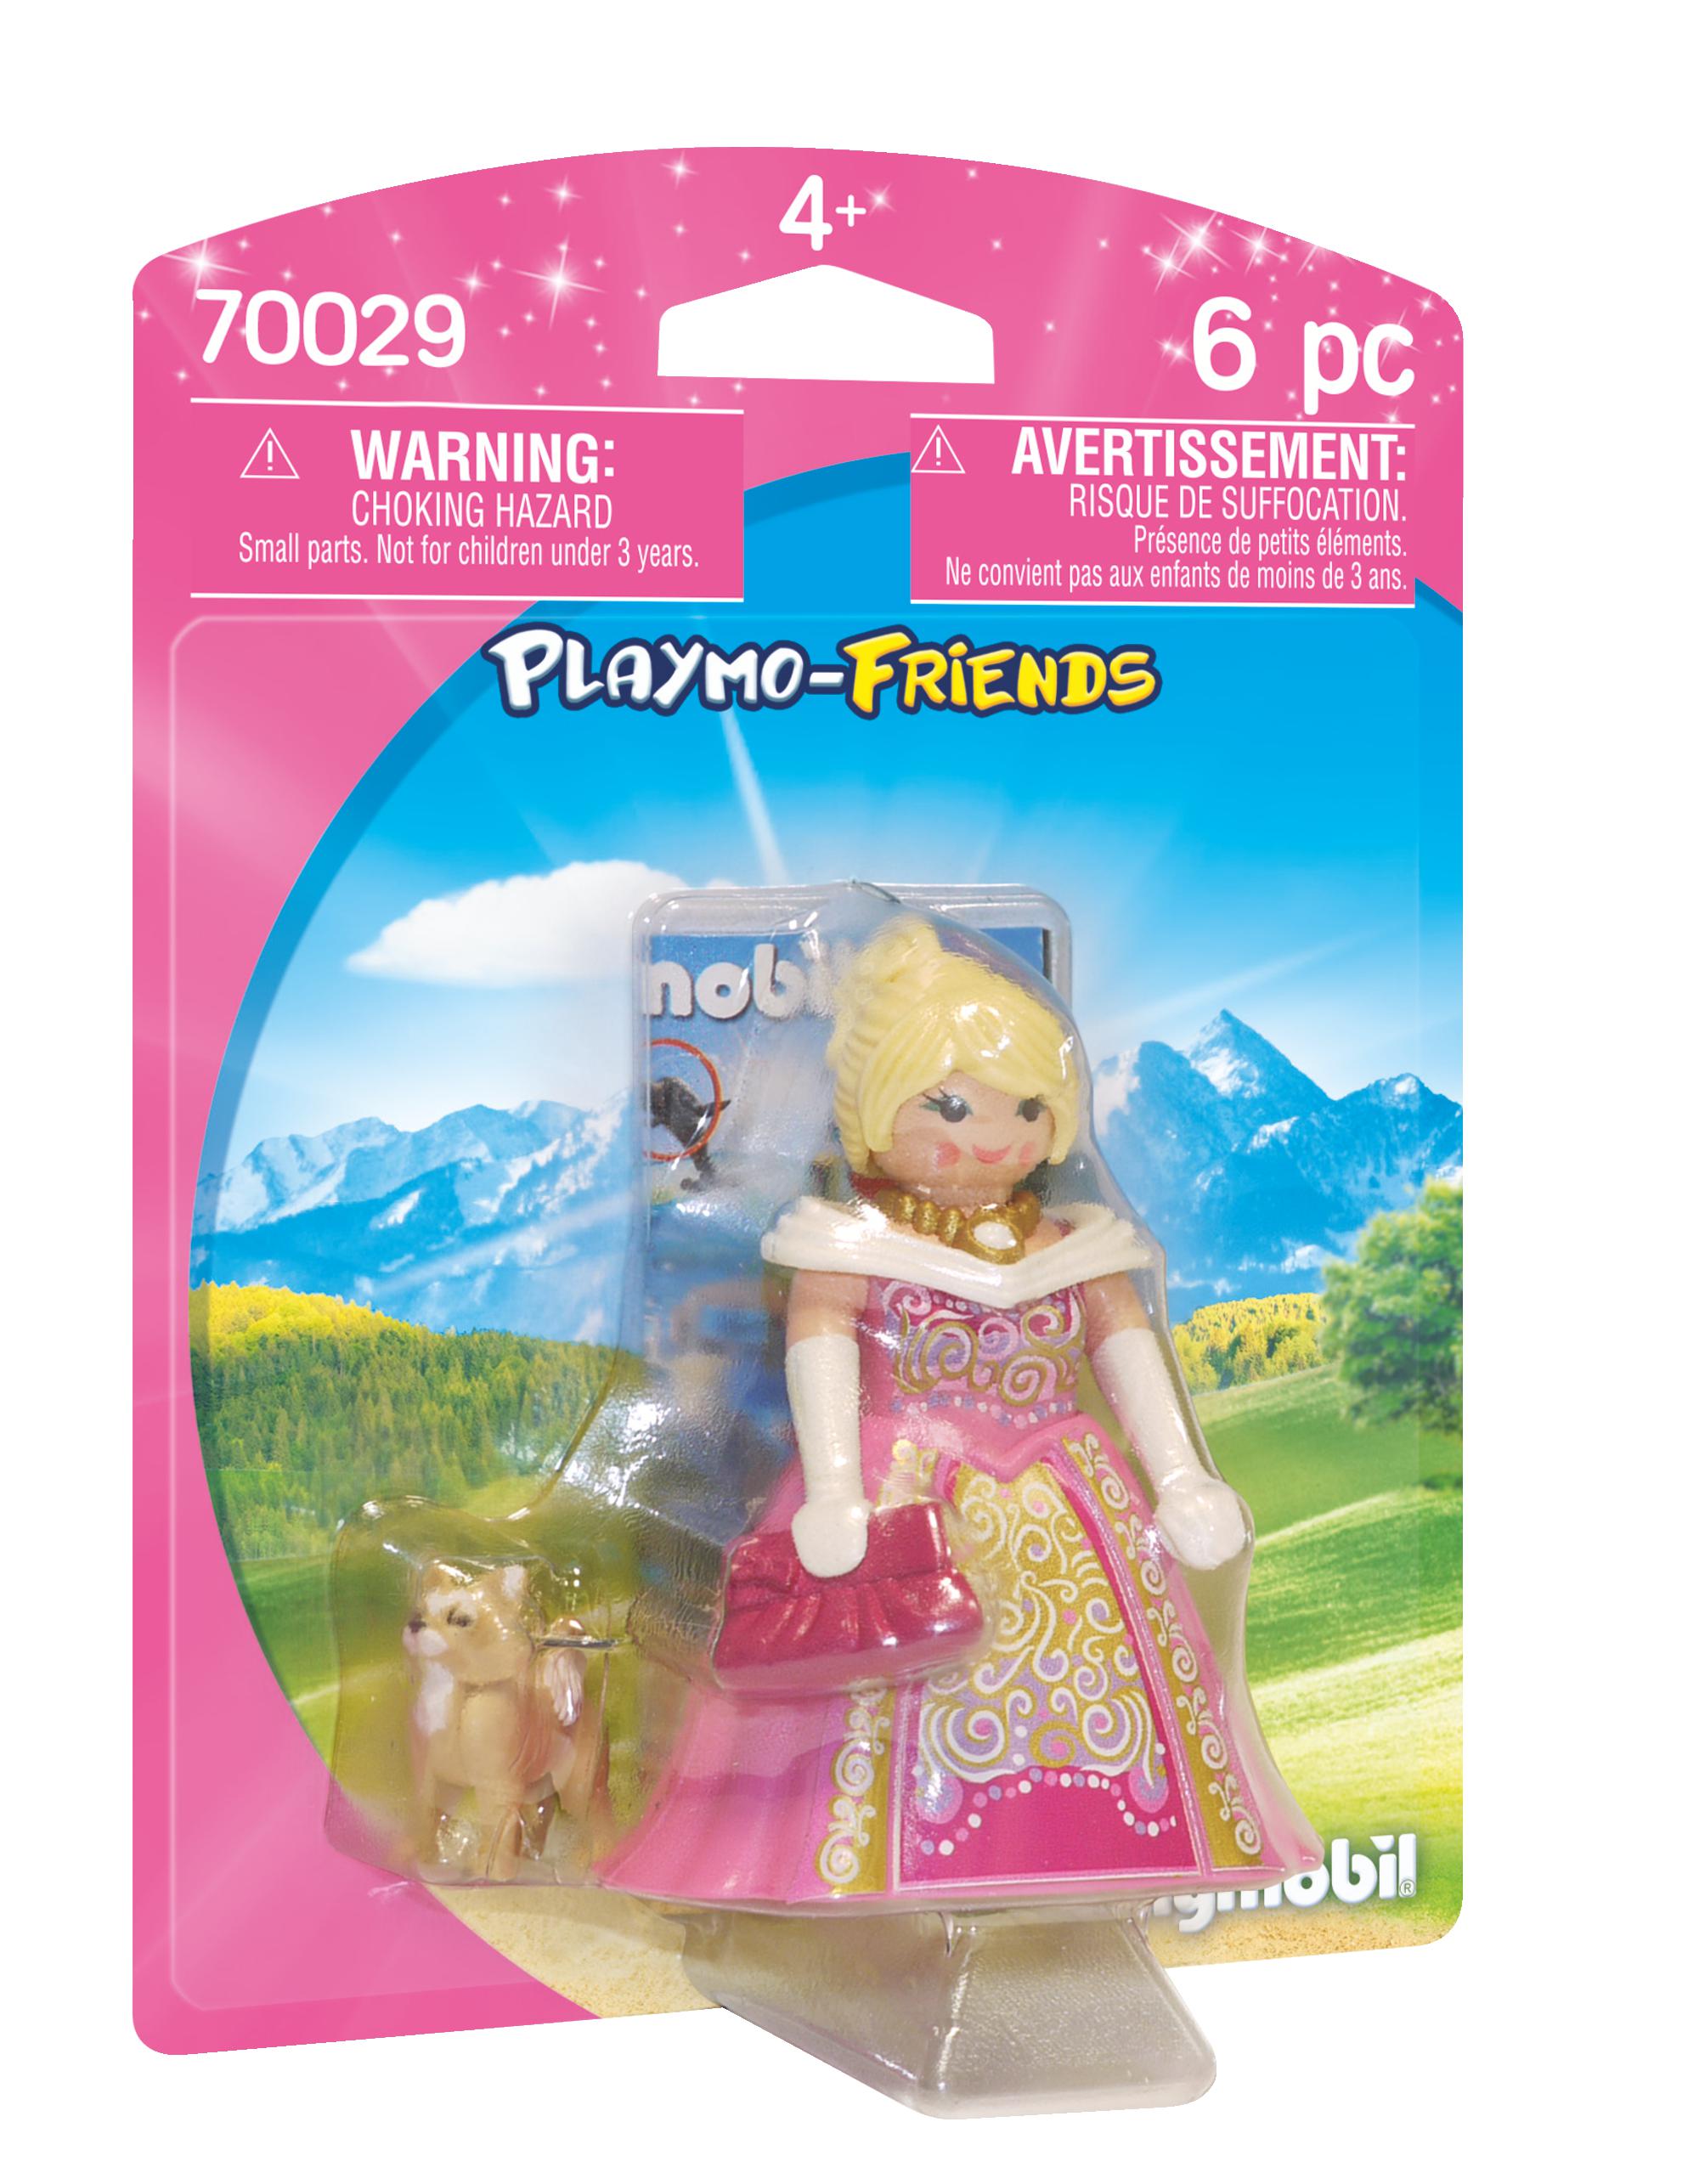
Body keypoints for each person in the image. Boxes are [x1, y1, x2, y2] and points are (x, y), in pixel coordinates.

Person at [601, 915, 1316, 1906]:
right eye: (946, 1105)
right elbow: (819, 1346)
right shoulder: (845, 1245)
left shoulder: (1074, 1245)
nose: (993, 1134)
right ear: (872, 1110)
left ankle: (1094, 1844)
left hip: (1065, 1498)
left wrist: (1181, 1476)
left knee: (1102, 1681)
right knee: (873, 1686)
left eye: (1027, 1107)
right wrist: (835, 1490)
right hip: (903, 1493)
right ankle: (852, 1855)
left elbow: (1124, 1345)